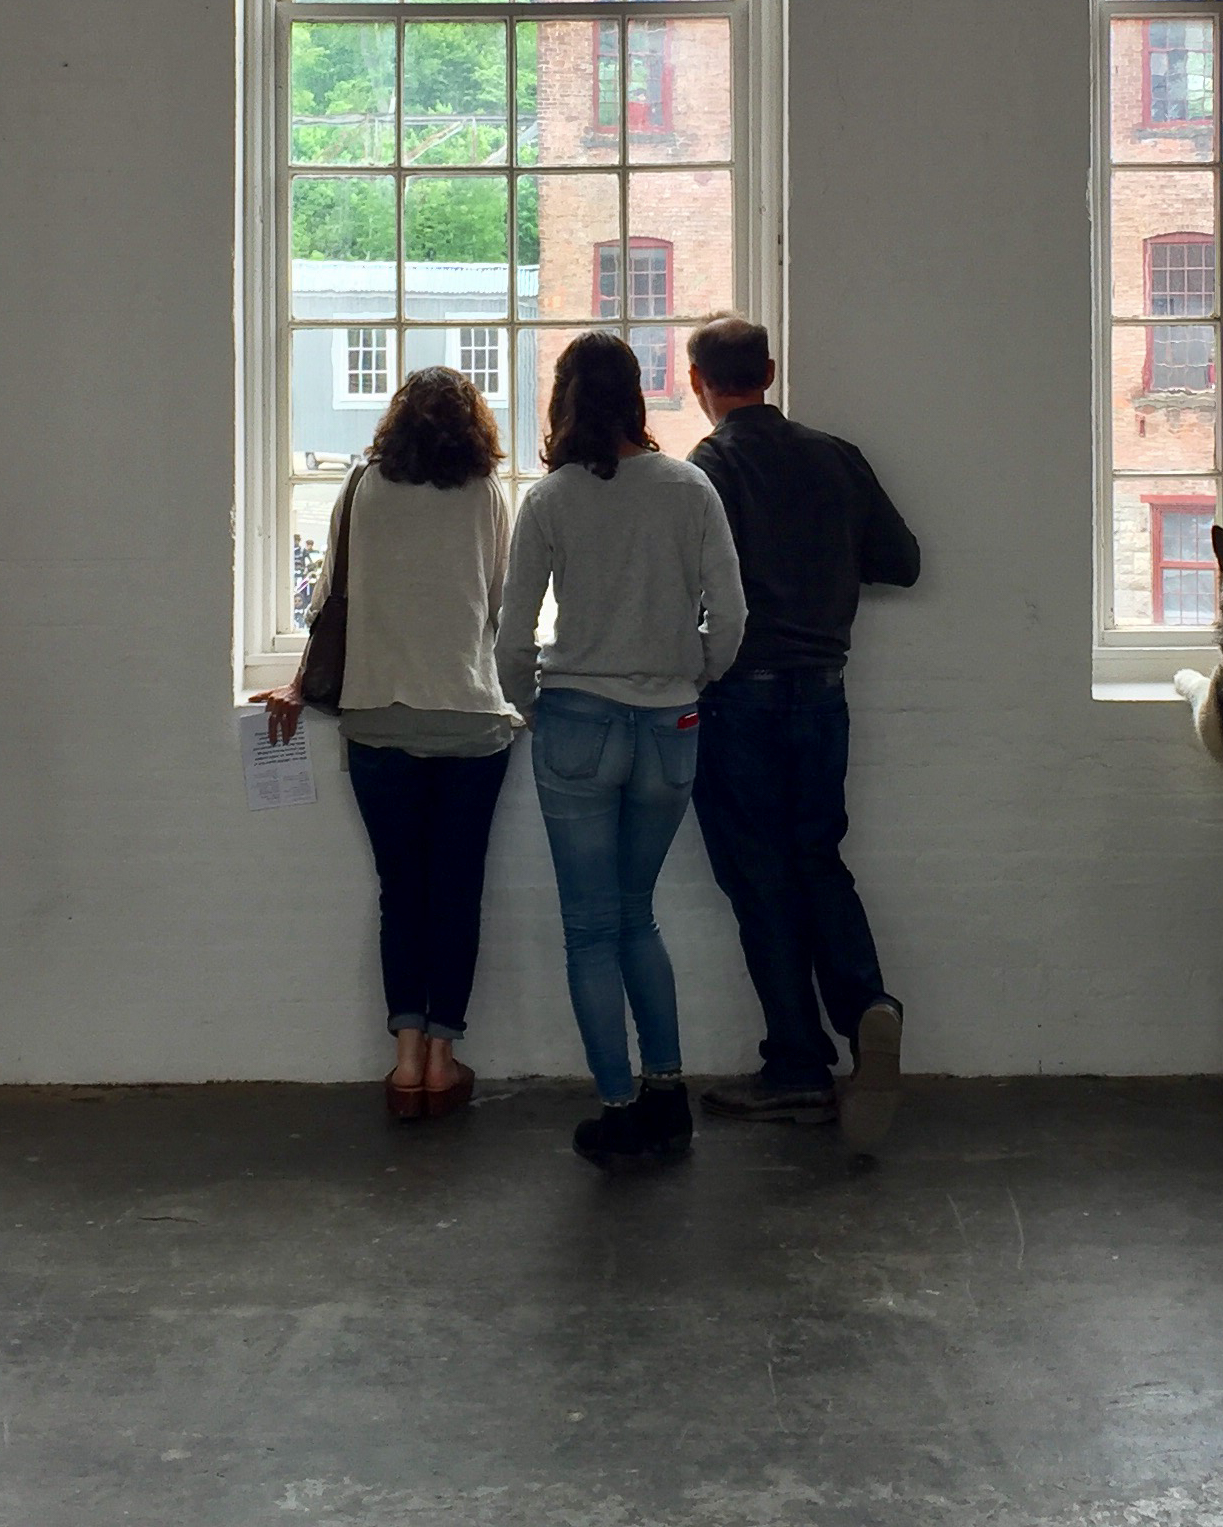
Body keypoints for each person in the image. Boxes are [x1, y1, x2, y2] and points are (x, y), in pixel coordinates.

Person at [499, 332, 745, 1172]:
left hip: (578, 721)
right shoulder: (689, 487)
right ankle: (668, 1097)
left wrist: (533, 704)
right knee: (637, 913)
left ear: (566, 398)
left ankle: (617, 1108)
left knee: (589, 929)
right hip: (671, 725)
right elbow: (731, 618)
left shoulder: (552, 499)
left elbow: (512, 636)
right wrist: (693, 677)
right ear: (637, 395)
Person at [680, 317, 921, 1151]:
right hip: (823, 691)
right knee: (818, 858)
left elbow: (687, 589)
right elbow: (901, 562)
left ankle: (795, 1068)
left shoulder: (708, 469)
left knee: (760, 878)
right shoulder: (835, 457)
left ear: (697, 381)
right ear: (771, 371)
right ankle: (867, 1006)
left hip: (737, 698)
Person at [253, 367, 517, 1120]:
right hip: (469, 718)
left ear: (396, 421)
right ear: (474, 427)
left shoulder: (362, 486)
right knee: (456, 893)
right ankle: (442, 1060)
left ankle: (403, 1064)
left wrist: (299, 683)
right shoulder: (487, 494)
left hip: (378, 719)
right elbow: (499, 602)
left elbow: (329, 597)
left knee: (401, 893)